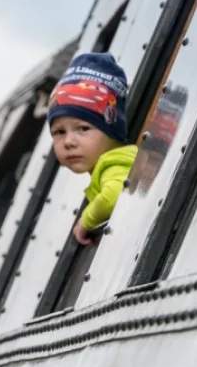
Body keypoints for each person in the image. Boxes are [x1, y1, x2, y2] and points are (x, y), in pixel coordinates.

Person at [47, 52, 138, 246]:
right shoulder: (106, 166)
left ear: (111, 130)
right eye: (59, 132)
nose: (68, 141)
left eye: (83, 129)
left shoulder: (115, 162)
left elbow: (114, 196)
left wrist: (87, 220)